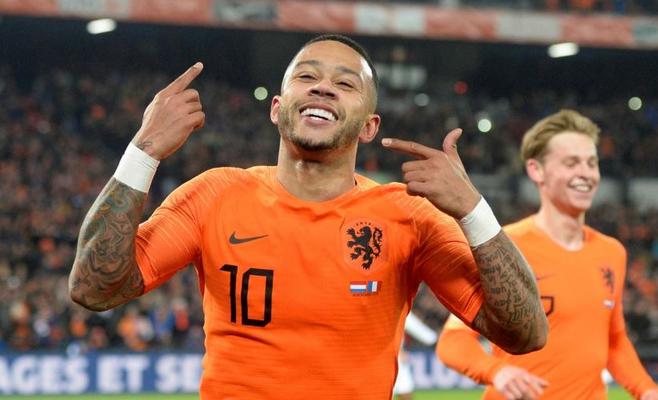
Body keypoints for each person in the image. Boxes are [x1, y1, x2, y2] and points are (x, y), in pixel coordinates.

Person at [69, 34, 547, 399]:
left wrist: (473, 210)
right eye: (307, 76)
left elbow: (525, 333)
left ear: (369, 127)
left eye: (346, 83)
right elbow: (94, 288)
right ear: (277, 109)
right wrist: (143, 151)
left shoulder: (408, 216)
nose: (323, 87)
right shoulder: (214, 195)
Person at [436, 109, 658, 400]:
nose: (586, 173)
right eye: (571, 163)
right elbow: (453, 340)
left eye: (592, 163)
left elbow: (614, 340)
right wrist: (496, 371)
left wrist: (646, 389)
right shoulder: (502, 247)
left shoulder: (612, 251)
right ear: (536, 170)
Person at [393, 312, 438, 400]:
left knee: (404, 389)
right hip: (391, 357)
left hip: (390, 356)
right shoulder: (399, 310)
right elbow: (416, 328)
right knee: (404, 390)